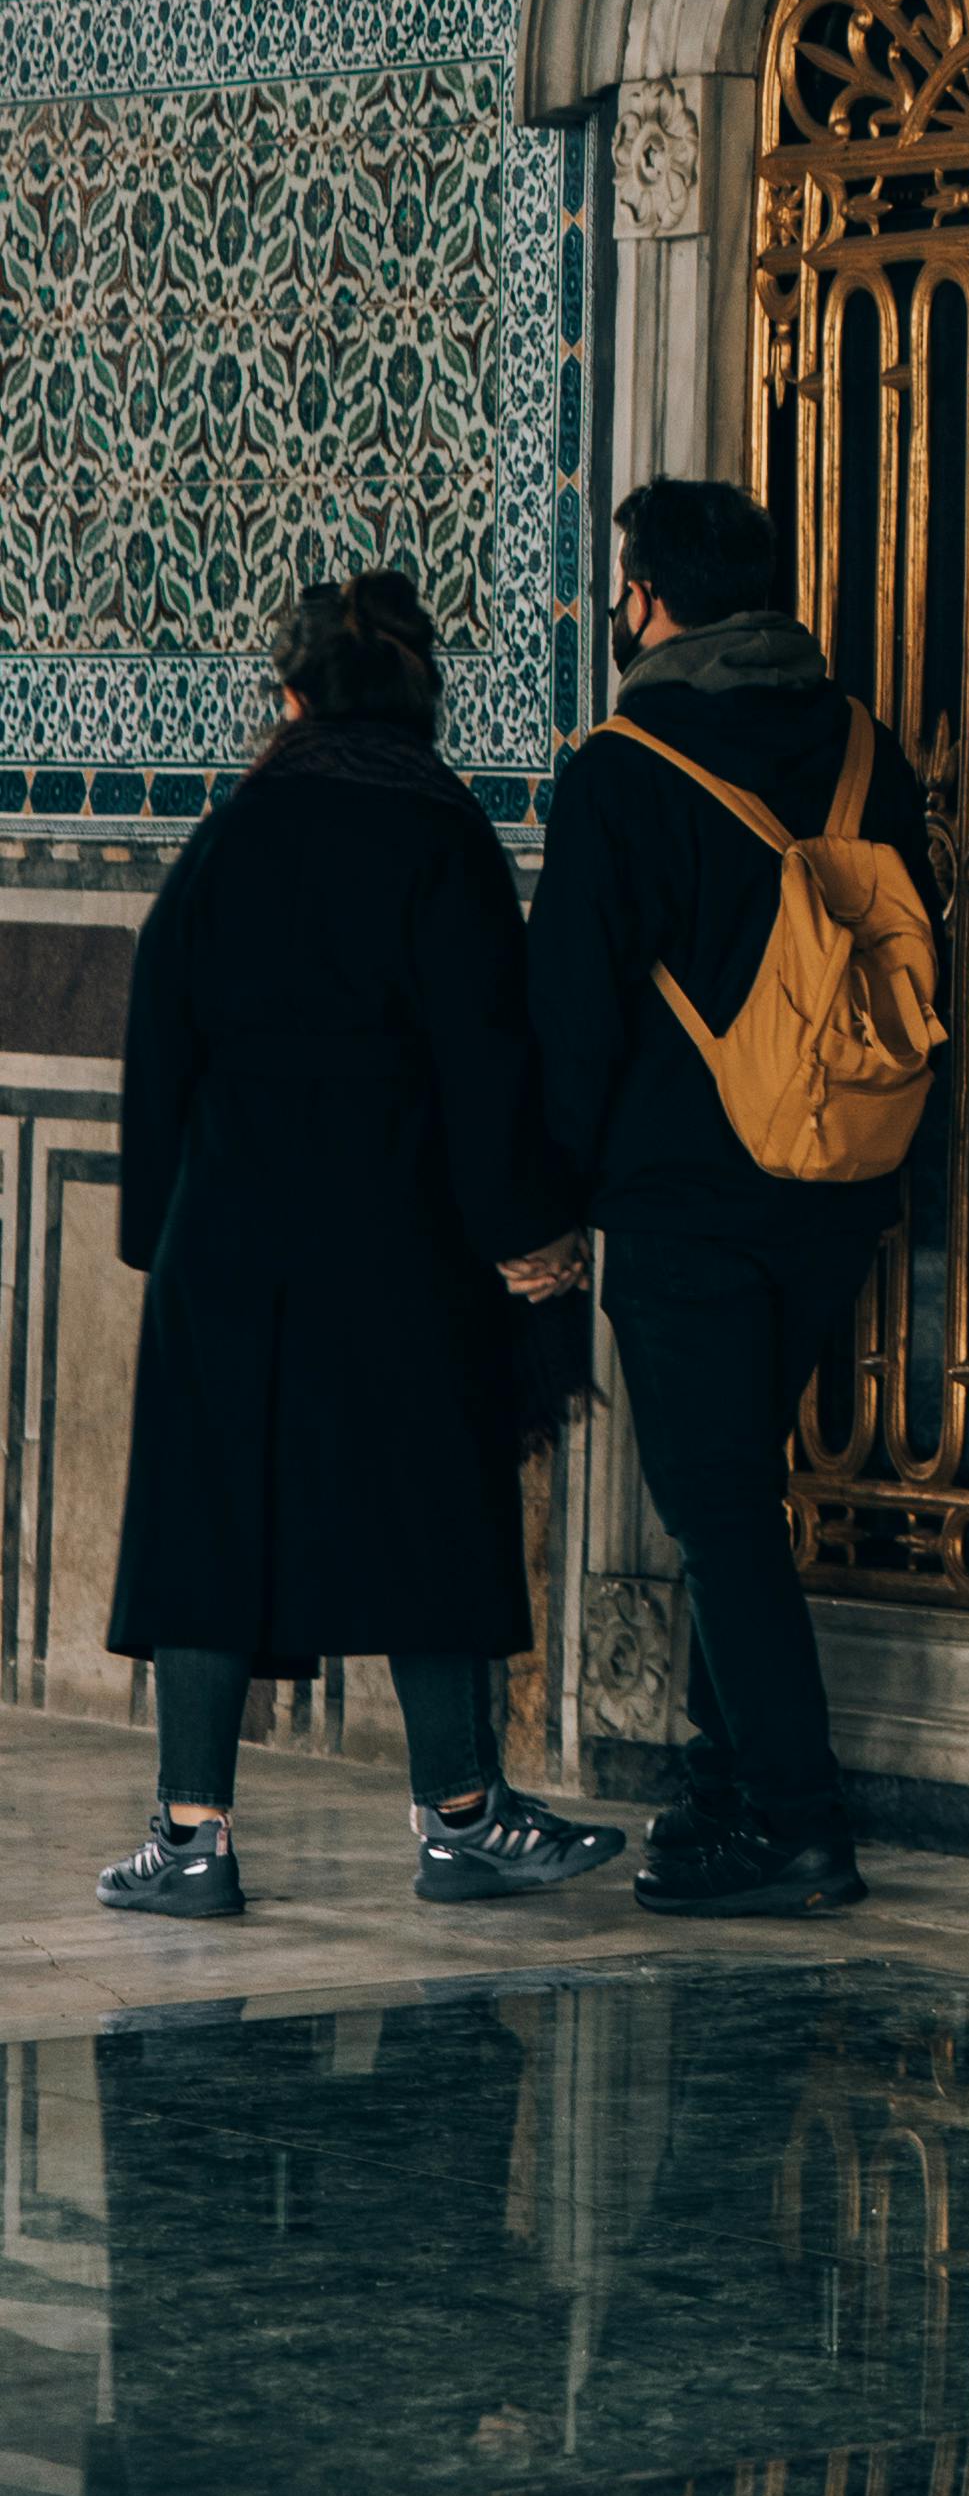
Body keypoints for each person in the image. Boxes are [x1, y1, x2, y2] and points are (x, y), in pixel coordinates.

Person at [101, 573, 629, 1919]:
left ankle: (191, 1838)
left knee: (212, 1522)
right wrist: (527, 1233)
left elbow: (160, 1031)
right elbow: (483, 1057)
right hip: (399, 1237)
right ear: (420, 698)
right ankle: (460, 1818)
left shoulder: (232, 834)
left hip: (229, 1233)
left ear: (289, 697)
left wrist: (160, 1222)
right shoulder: (439, 831)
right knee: (434, 1507)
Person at [530, 478, 941, 1918]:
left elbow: (570, 1019)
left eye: (625, 582)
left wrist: (546, 1208)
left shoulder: (620, 765)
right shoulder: (863, 748)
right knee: (738, 1494)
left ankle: (796, 1817)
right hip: (833, 1188)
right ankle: (719, 1786)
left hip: (686, 1210)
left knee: (717, 1510)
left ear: (651, 598)